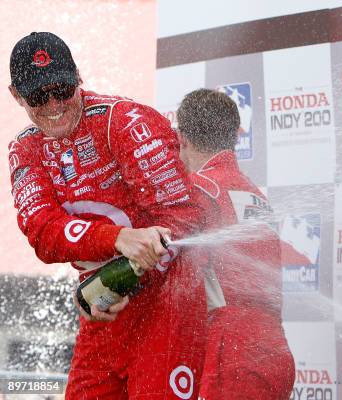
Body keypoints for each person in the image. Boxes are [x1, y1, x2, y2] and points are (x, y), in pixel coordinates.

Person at [8, 32, 209, 399]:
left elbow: (183, 217)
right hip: (104, 311)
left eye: (63, 90)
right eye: (38, 96)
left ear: (78, 78)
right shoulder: (25, 150)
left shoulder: (126, 122)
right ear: (16, 95)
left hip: (166, 308)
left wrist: (131, 271)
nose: (54, 105)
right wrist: (115, 245)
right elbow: (43, 234)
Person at [175, 89, 295, 400]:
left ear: (182, 138)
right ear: (234, 137)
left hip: (230, 353)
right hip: (274, 349)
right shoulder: (254, 194)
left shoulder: (197, 189)